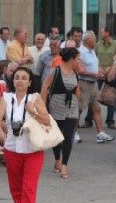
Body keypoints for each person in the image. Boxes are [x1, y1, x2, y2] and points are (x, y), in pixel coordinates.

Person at [0, 67, 50, 203]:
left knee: (28, 188)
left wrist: (33, 112)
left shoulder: (35, 98)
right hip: (11, 148)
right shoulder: (6, 97)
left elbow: (46, 120)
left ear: (30, 82)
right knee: (15, 189)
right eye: (17, 77)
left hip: (33, 149)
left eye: (24, 78)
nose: (20, 80)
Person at [41, 48, 80, 178]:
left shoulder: (75, 73)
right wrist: (43, 109)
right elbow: (45, 89)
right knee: (57, 137)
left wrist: (78, 103)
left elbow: (77, 90)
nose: (79, 61)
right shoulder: (55, 71)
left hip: (72, 108)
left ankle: (64, 165)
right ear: (71, 59)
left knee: (68, 136)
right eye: (78, 59)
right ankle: (57, 158)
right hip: (56, 107)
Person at [76, 30, 114, 144]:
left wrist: (101, 71)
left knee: (96, 108)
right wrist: (95, 74)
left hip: (93, 84)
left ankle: (100, 134)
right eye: (95, 39)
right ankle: (73, 132)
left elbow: (94, 65)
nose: (96, 42)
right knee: (79, 109)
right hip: (84, 83)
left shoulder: (92, 51)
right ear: (89, 40)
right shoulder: (80, 52)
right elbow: (80, 71)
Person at [91, 26, 116, 129]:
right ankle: (88, 120)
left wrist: (111, 68)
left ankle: (110, 121)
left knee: (111, 97)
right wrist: (98, 68)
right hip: (99, 73)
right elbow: (93, 56)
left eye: (102, 31)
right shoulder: (98, 44)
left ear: (107, 33)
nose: (100, 33)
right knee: (93, 97)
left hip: (111, 74)